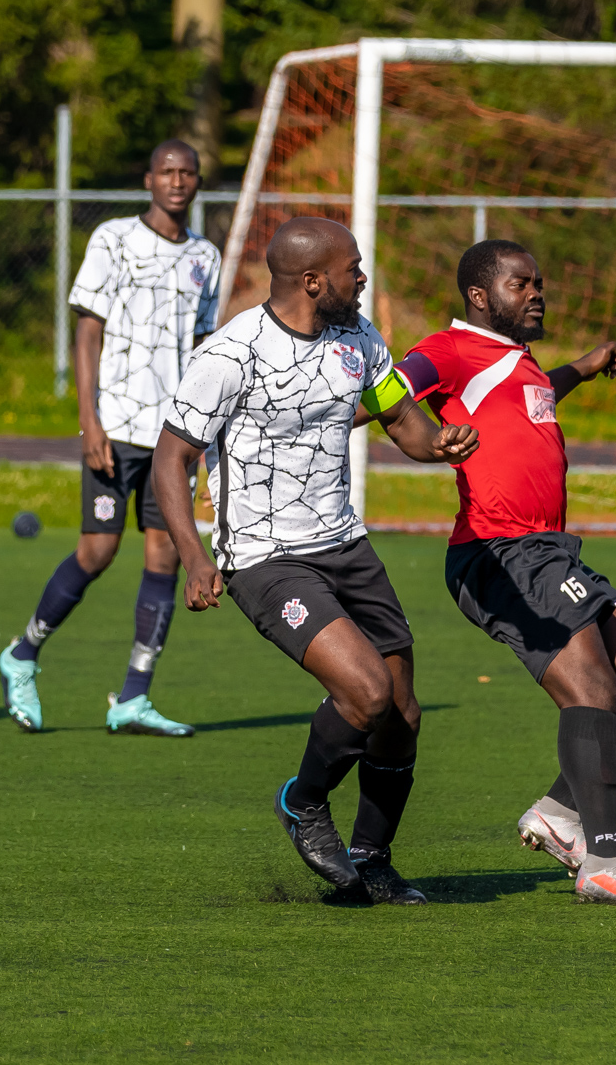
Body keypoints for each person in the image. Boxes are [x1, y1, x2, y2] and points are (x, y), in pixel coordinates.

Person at [153, 217, 478, 905]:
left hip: (347, 546)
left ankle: (373, 858)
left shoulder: (359, 339)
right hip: (266, 558)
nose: (363, 278)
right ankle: (304, 802)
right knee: (365, 690)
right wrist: (192, 554)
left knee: (403, 712)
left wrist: (439, 442)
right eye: (353, 269)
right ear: (312, 280)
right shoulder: (232, 352)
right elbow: (172, 456)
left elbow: (401, 421)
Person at [396, 239, 616, 907]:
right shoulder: (450, 349)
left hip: (549, 550)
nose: (536, 293)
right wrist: (416, 436)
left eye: (538, 283)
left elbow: (534, 393)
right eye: (521, 284)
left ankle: (559, 810)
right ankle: (603, 860)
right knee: (590, 683)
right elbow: (387, 390)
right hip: (499, 551)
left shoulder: (515, 363)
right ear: (479, 296)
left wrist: (580, 367)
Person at [0, 140, 218, 737]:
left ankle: (133, 697)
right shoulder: (113, 239)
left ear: (198, 182)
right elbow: (87, 332)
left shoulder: (206, 255)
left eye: (187, 173)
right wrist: (88, 419)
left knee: (164, 556)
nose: (177, 181)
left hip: (172, 437)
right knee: (97, 552)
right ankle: (22, 654)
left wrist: (202, 428)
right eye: (167, 172)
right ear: (149, 179)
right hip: (115, 428)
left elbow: (203, 347)